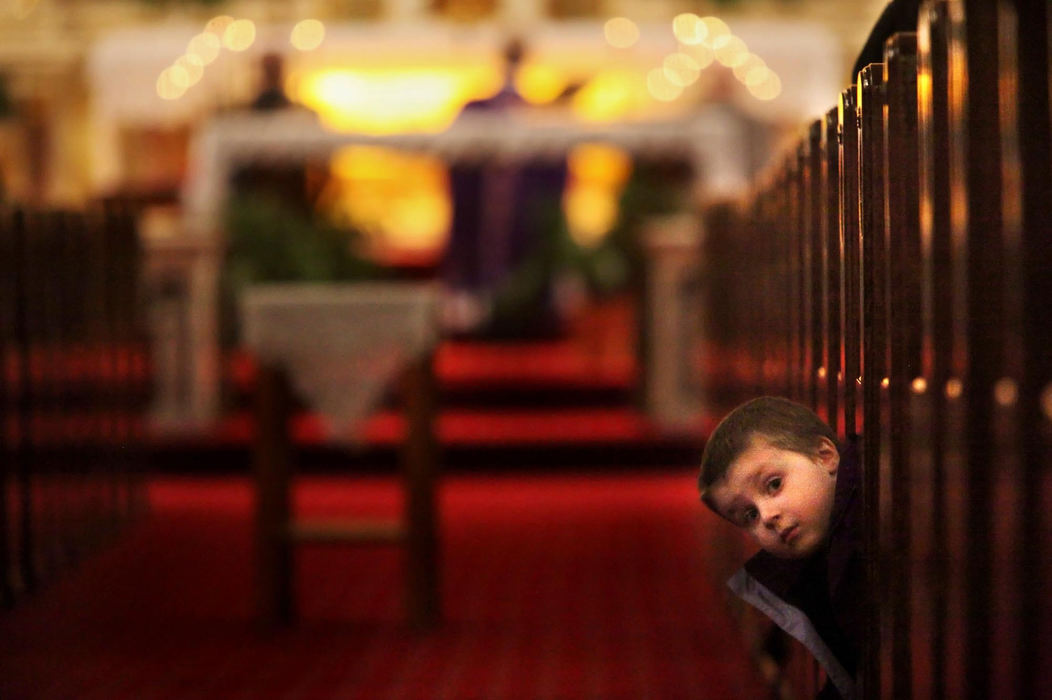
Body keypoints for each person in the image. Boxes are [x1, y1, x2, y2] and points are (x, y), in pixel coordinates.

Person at [697, 396, 862, 700]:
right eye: (750, 515)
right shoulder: (815, 561)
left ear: (825, 455)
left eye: (773, 485)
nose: (767, 517)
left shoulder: (861, 532)